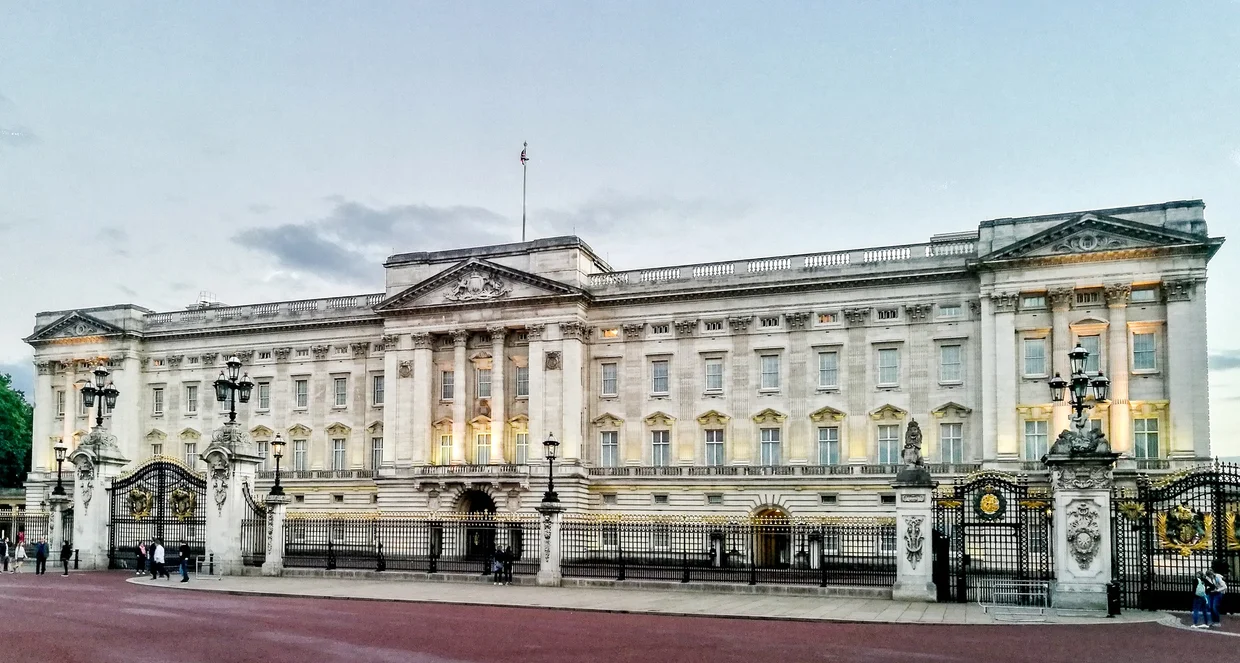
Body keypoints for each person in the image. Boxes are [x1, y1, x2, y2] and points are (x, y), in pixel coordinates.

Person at [1208, 562, 1228, 628]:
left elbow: (1225, 587)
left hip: (1219, 593)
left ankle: (1217, 622)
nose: (1209, 578)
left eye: (1210, 576)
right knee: (1210, 607)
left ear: (1212, 574)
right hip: (1212, 593)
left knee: (1214, 607)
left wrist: (1217, 590)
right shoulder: (1209, 578)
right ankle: (1214, 621)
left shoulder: (1217, 578)